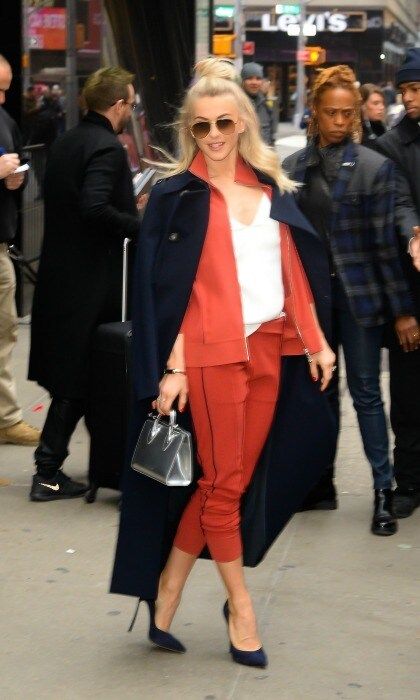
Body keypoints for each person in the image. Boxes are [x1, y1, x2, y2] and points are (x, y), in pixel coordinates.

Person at [111, 58, 336, 668]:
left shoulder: (269, 189)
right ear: (189, 129)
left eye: (225, 123)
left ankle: (167, 593)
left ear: (243, 125)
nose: (213, 134)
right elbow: (165, 290)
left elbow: (292, 273)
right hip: (208, 354)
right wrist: (174, 364)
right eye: (202, 125)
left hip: (267, 347)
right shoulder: (175, 197)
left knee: (221, 484)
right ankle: (242, 609)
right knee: (224, 489)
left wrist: (315, 339)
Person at [283, 65, 417, 535]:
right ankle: (321, 484)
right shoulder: (294, 168)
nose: (340, 121)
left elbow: (386, 248)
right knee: (318, 396)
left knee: (365, 395)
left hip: (359, 302)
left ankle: (383, 491)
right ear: (315, 113)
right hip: (312, 304)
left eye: (347, 113)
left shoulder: (374, 167)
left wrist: (402, 311)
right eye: (331, 113)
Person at [28, 67, 140, 502]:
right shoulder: (107, 147)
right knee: (80, 377)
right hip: (90, 284)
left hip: (64, 277)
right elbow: (94, 207)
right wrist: (137, 224)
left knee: (84, 376)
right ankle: (48, 469)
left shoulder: (70, 140)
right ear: (116, 106)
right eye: (130, 104)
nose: (131, 111)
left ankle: (101, 463)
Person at [376, 48, 420, 518]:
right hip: (411, 292)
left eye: (415, 88)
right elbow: (399, 211)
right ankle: (407, 481)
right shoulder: (391, 147)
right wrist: (404, 310)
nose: (407, 97)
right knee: (408, 397)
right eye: (404, 88)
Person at [0, 55, 40, 447]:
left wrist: (15, 179)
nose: (2, 96)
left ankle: (5, 417)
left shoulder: (5, 121)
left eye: (6, 87)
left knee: (5, 331)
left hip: (1, 242)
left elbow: (21, 167)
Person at [241, 62, 275, 146]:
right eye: (249, 78)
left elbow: (270, 135)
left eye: (258, 78)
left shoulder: (265, 104)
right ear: (242, 81)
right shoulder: (235, 103)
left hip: (263, 156)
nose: (254, 82)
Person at [360, 83, 386, 148]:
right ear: (362, 105)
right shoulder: (357, 135)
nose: (382, 107)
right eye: (376, 103)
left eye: (382, 103)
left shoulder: (383, 129)